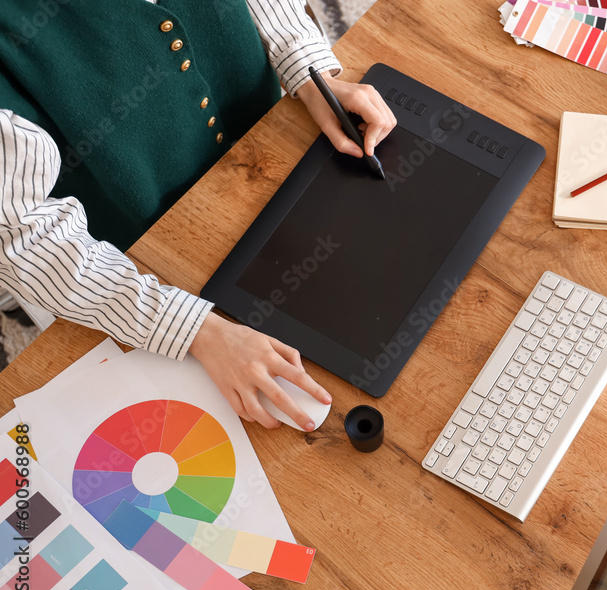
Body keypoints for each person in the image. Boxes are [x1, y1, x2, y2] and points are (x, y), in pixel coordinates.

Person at [0, 0, 396, 430]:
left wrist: (306, 65)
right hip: (140, 260)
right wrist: (197, 331)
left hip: (263, 153)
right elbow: (25, 240)